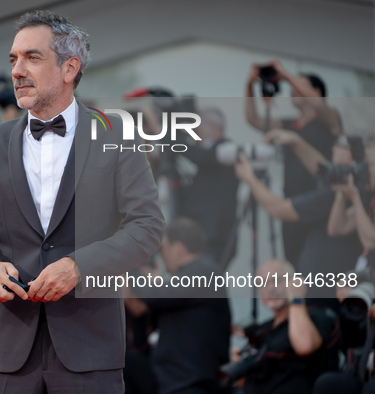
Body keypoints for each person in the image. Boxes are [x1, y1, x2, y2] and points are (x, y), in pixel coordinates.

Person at [0, 10, 164, 393]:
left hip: (90, 349)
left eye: (32, 57)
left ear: (69, 68)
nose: (17, 70)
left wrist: (79, 266)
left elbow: (147, 227)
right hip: (7, 352)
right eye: (13, 59)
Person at [234, 137, 363, 301]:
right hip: (325, 286)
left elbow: (278, 209)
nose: (332, 149)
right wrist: (296, 142)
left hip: (326, 292)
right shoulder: (345, 186)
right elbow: (321, 169)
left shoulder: (342, 192)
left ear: (350, 155)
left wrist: (249, 178)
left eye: (338, 145)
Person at [245, 59, 341, 265]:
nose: (292, 89)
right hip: (292, 201)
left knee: (315, 262)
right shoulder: (289, 124)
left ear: (317, 91)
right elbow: (254, 119)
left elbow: (317, 104)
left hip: (320, 203)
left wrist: (286, 74)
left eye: (300, 84)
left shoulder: (329, 119)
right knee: (294, 261)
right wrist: (249, 84)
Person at [132, 217, 231, 394]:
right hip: (174, 379)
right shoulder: (192, 277)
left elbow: (153, 295)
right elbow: (146, 305)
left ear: (177, 249)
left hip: (193, 383)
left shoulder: (204, 272)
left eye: (163, 248)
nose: (161, 256)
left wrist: (129, 263)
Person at [234, 259, 339, 394]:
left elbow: (305, 345)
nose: (270, 288)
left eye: (277, 280)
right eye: (264, 283)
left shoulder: (317, 316)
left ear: (294, 282)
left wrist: (295, 297)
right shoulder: (263, 329)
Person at [177, 108, 239, 266]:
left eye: (196, 128)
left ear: (211, 125)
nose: (194, 134)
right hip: (203, 233)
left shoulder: (226, 150)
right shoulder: (209, 154)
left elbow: (202, 157)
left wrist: (162, 132)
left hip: (214, 236)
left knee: (206, 281)